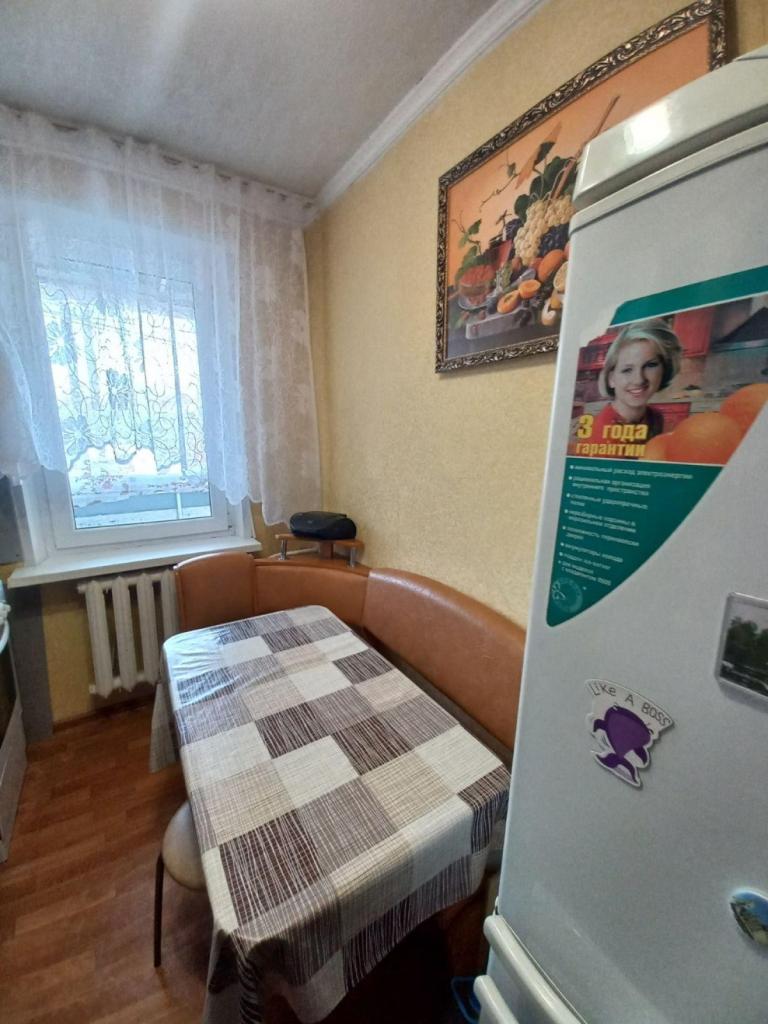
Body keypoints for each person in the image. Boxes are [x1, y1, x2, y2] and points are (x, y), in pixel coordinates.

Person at [590, 319, 682, 441]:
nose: (639, 380)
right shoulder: (600, 433)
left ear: (665, 369)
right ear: (611, 379)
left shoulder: (655, 417)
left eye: (650, 365)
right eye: (627, 370)